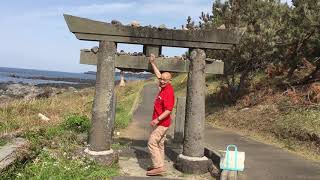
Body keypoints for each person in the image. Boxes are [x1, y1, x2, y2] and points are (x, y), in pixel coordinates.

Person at [146, 53, 175, 176]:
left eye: (164, 80)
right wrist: (152, 63)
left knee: (152, 142)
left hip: (162, 123)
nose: (161, 81)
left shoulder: (168, 92)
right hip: (162, 123)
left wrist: (157, 120)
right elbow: (159, 75)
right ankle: (160, 165)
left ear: (170, 81)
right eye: (161, 79)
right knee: (159, 144)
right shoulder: (163, 86)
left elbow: (168, 110)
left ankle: (158, 167)